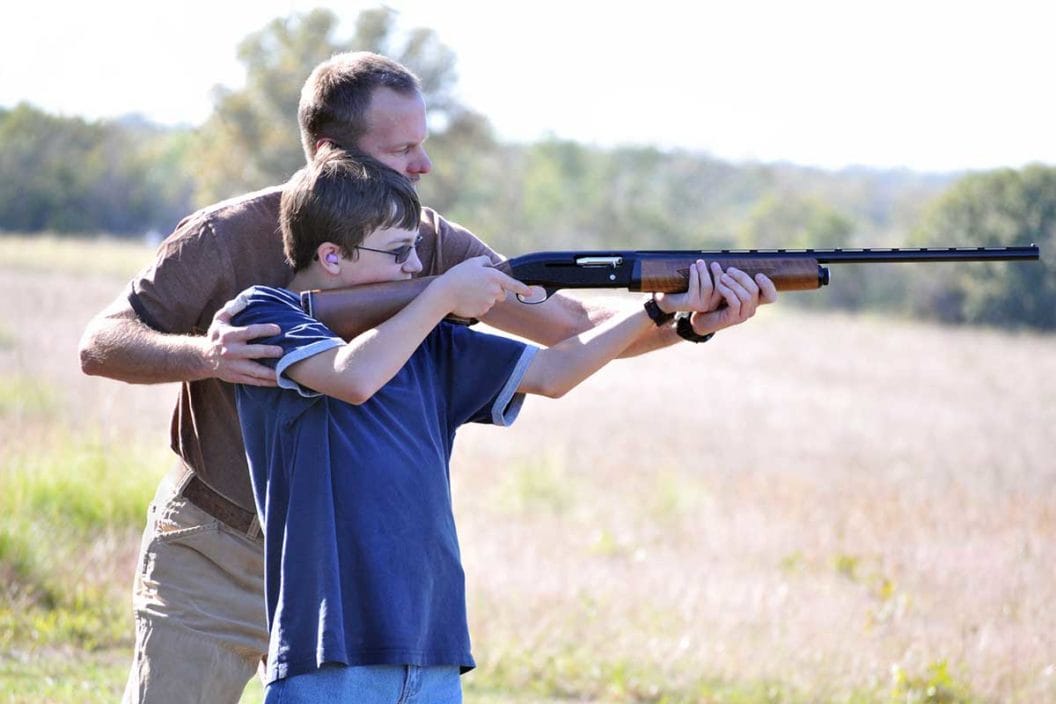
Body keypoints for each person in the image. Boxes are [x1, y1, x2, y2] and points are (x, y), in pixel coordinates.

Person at [78, 52, 777, 704]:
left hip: (359, 583)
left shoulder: (430, 243)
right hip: (219, 545)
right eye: (402, 149)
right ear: (330, 153)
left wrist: (685, 317)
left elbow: (567, 327)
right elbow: (103, 342)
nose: (425, 164)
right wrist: (209, 357)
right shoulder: (226, 236)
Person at [233, 146, 736, 702]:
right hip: (330, 656)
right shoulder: (266, 314)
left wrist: (667, 316)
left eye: (419, 253)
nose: (416, 268)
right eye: (399, 253)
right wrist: (443, 294)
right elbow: (354, 377)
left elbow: (554, 370)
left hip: (433, 651)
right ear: (332, 257)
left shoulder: (428, 337)